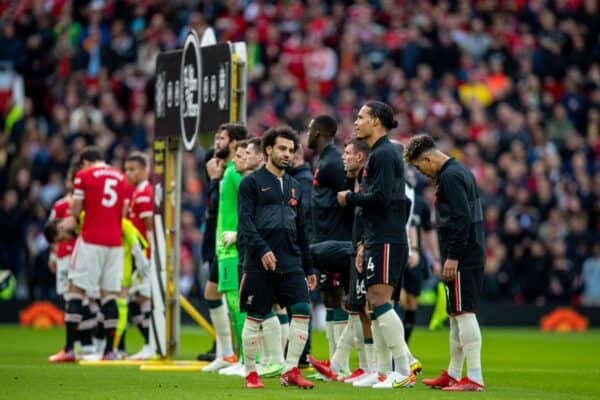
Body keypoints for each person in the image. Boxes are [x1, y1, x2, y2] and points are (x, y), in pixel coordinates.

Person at [337, 101, 415, 389]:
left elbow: (382, 198)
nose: (356, 122)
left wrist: (350, 197)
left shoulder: (383, 155)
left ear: (377, 122)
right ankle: (383, 371)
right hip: (377, 238)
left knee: (381, 302)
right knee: (375, 304)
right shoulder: (380, 154)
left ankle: (404, 369)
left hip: (386, 238)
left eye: (361, 117)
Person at [404, 133, 486, 391]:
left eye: (420, 167)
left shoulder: (450, 177)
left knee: (464, 312)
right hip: (467, 252)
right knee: (455, 314)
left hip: (464, 255)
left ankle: (474, 377)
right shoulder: (458, 171)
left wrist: (453, 256)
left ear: (428, 158)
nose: (422, 173)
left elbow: (461, 219)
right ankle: (453, 373)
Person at [237, 126, 317, 389]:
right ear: (268, 150)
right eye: (282, 149)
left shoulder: (295, 186)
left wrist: (309, 267)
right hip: (259, 261)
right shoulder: (251, 183)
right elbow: (245, 223)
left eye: (291, 150)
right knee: (255, 316)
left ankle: (291, 369)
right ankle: (250, 373)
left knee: (303, 311)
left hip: (291, 260)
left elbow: (303, 229)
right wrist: (262, 249)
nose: (287, 154)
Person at [67, 146, 129, 360]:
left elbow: (75, 210)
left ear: (85, 161)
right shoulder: (121, 177)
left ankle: (68, 349)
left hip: (91, 238)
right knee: (109, 295)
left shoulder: (83, 176)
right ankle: (110, 351)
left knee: (75, 289)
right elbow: (124, 211)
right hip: (115, 242)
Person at [306, 115, 351, 367]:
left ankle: (340, 365)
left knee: (339, 296)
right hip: (322, 238)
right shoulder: (323, 159)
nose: (307, 133)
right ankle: (334, 363)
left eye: (309, 129)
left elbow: (347, 198)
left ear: (318, 133)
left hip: (335, 238)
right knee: (330, 299)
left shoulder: (334, 161)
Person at [203, 123, 248, 374]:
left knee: (237, 303)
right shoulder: (226, 172)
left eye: (221, 138)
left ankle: (246, 359)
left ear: (234, 143)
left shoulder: (234, 173)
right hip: (223, 247)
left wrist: (240, 234)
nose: (216, 142)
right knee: (230, 302)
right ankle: (232, 355)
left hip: (234, 246)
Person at [46, 165, 80, 362]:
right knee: (72, 299)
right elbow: (52, 233)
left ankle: (83, 345)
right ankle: (82, 344)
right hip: (65, 255)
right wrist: (53, 256)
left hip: (80, 254)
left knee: (79, 299)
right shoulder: (59, 205)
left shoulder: (81, 203)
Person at [123, 151, 154, 360]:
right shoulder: (137, 193)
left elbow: (151, 230)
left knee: (140, 299)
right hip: (139, 255)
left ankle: (152, 344)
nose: (128, 173)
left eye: (133, 169)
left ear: (145, 170)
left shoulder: (145, 194)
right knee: (137, 300)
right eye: (126, 169)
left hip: (146, 255)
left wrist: (149, 256)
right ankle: (150, 343)